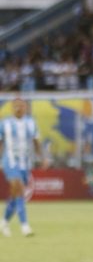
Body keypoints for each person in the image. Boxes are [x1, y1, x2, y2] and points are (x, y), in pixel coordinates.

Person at [1, 97, 42, 238]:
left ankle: (4, 221)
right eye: (16, 106)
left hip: (25, 163)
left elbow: (36, 141)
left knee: (15, 194)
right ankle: (24, 225)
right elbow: (0, 142)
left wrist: (41, 157)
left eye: (21, 106)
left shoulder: (31, 123)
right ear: (12, 108)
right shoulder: (4, 123)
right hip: (9, 161)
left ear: (25, 107)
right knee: (18, 187)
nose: (19, 108)